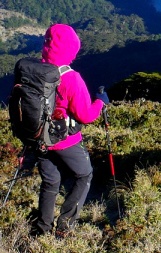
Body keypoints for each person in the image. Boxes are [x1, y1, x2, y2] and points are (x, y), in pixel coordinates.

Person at [23, 23, 109, 236]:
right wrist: (101, 103)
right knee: (84, 175)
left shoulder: (33, 72)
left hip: (38, 138)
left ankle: (42, 229)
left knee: (51, 181)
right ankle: (65, 225)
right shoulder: (72, 78)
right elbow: (85, 116)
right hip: (65, 141)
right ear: (72, 48)